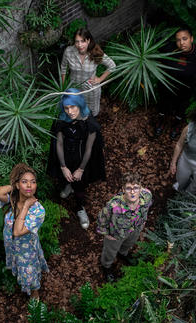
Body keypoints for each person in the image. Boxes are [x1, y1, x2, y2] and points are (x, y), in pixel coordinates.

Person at [47, 88, 106, 229]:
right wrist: (63, 166)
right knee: (65, 177)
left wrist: (80, 169)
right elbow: (59, 143)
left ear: (79, 104)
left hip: (81, 160)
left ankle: (80, 208)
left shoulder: (90, 123)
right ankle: (68, 186)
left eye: (73, 107)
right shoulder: (61, 121)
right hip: (66, 157)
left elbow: (89, 149)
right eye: (66, 108)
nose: (70, 111)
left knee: (79, 184)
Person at [0, 163, 48, 299]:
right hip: (12, 247)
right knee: (18, 269)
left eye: (33, 182)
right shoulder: (13, 199)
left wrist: (25, 207)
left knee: (30, 276)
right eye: (25, 182)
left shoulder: (38, 211)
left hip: (26, 251)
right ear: (18, 185)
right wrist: (14, 186)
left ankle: (35, 294)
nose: (29, 185)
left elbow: (18, 232)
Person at [155, 27, 196, 139]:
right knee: (163, 105)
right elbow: (157, 43)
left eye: (185, 39)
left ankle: (176, 125)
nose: (181, 43)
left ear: (191, 39)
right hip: (167, 85)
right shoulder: (171, 48)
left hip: (185, 87)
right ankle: (161, 122)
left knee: (181, 108)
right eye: (178, 40)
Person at [97, 172, 152, 282]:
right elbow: (101, 220)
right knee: (110, 252)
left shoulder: (146, 196)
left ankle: (123, 254)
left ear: (141, 188)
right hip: (116, 235)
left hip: (135, 229)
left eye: (136, 188)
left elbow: (147, 206)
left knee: (129, 244)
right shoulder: (113, 205)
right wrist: (107, 235)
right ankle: (106, 267)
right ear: (123, 189)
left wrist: (143, 221)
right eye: (128, 188)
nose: (132, 192)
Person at [61, 28, 116, 117]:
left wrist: (100, 79)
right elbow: (63, 68)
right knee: (76, 113)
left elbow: (112, 65)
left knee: (90, 115)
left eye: (83, 41)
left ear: (88, 40)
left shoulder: (95, 53)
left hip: (90, 90)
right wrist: (64, 87)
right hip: (74, 90)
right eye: (77, 42)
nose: (79, 45)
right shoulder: (69, 51)